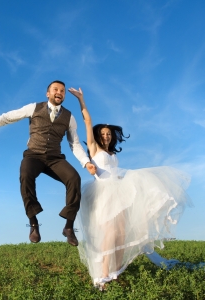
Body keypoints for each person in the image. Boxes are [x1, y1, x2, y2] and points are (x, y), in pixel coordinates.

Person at [68, 87, 193, 289]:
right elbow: (87, 121)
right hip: (103, 194)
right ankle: (104, 274)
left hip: (119, 193)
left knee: (121, 234)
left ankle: (116, 272)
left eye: (109, 134)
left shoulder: (113, 154)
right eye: (103, 134)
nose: (106, 136)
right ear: (98, 136)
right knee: (108, 235)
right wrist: (82, 100)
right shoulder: (94, 148)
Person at [0, 80, 96, 246]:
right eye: (55, 89)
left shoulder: (69, 117)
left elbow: (75, 144)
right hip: (33, 155)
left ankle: (69, 227)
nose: (59, 92)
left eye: (62, 91)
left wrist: (86, 162)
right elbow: (6, 118)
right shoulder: (33, 108)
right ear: (48, 93)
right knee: (25, 174)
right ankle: (34, 222)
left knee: (74, 179)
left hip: (55, 158)